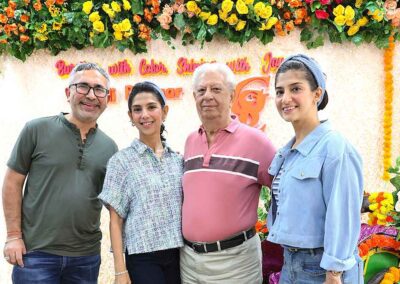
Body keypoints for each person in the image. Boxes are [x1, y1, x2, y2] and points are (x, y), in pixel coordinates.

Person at [2, 62, 118, 283]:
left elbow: (114, 203)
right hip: (36, 255)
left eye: (99, 89)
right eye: (83, 86)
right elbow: (12, 183)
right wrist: (13, 236)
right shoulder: (36, 130)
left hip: (86, 258)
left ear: (107, 98)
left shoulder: (109, 147)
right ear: (68, 92)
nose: (91, 95)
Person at [267, 54, 364, 284]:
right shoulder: (287, 151)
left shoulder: (334, 146)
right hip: (291, 264)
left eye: (296, 89)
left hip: (321, 270)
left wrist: (334, 273)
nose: (285, 98)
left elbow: (342, 213)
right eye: (280, 91)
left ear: (317, 94)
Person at [181, 62, 276, 283]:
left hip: (236, 265)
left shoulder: (257, 143)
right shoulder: (190, 141)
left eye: (216, 89)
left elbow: (285, 189)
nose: (207, 96)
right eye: (201, 90)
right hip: (189, 263)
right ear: (194, 96)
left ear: (232, 96)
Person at [99, 81, 183, 284]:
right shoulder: (121, 162)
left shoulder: (178, 160)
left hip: (179, 256)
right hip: (142, 258)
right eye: (137, 109)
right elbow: (115, 221)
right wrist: (120, 271)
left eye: (151, 107)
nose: (144, 114)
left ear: (164, 111)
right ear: (131, 116)